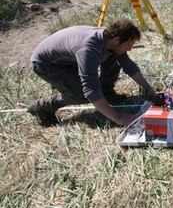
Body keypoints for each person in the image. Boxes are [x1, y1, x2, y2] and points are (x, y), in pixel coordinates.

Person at [27, 19, 157, 127]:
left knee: (115, 57)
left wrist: (149, 89)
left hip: (69, 59)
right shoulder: (88, 50)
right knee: (82, 94)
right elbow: (91, 91)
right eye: (129, 44)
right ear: (117, 40)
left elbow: (129, 66)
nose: (130, 48)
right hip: (47, 64)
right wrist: (118, 118)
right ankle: (43, 107)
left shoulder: (110, 40)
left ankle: (107, 94)